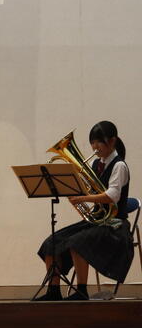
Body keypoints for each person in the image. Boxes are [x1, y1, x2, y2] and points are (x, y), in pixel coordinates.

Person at [35, 120, 133, 301]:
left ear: (112, 141)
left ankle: (81, 291)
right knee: (51, 242)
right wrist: (73, 193)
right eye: (92, 142)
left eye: (99, 142)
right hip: (96, 221)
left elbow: (112, 195)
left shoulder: (119, 165)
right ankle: (53, 291)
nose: (95, 147)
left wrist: (83, 198)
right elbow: (87, 192)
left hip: (115, 225)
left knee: (78, 242)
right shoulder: (95, 164)